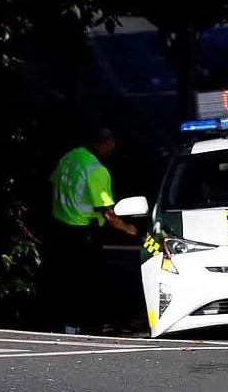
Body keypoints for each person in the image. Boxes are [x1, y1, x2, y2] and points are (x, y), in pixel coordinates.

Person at [47, 125, 137, 334]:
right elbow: (108, 214)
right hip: (83, 233)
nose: (112, 147)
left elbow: (54, 185)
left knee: (66, 281)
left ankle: (68, 325)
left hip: (60, 228)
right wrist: (129, 228)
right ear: (104, 143)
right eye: (111, 143)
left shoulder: (69, 158)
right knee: (90, 283)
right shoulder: (96, 170)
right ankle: (90, 327)